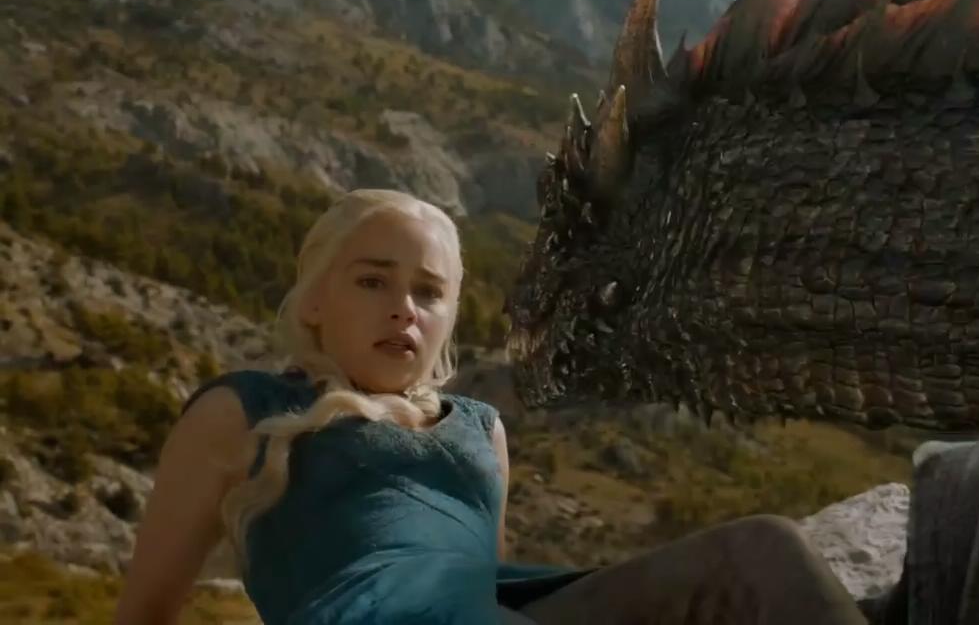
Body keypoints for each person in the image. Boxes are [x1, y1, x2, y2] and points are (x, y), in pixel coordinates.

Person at [114, 188, 868, 625]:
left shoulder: (481, 427)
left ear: (450, 316)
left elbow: (479, 577)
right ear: (315, 300)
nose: (405, 310)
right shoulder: (242, 410)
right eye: (373, 281)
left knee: (764, 550)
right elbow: (145, 611)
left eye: (429, 292)